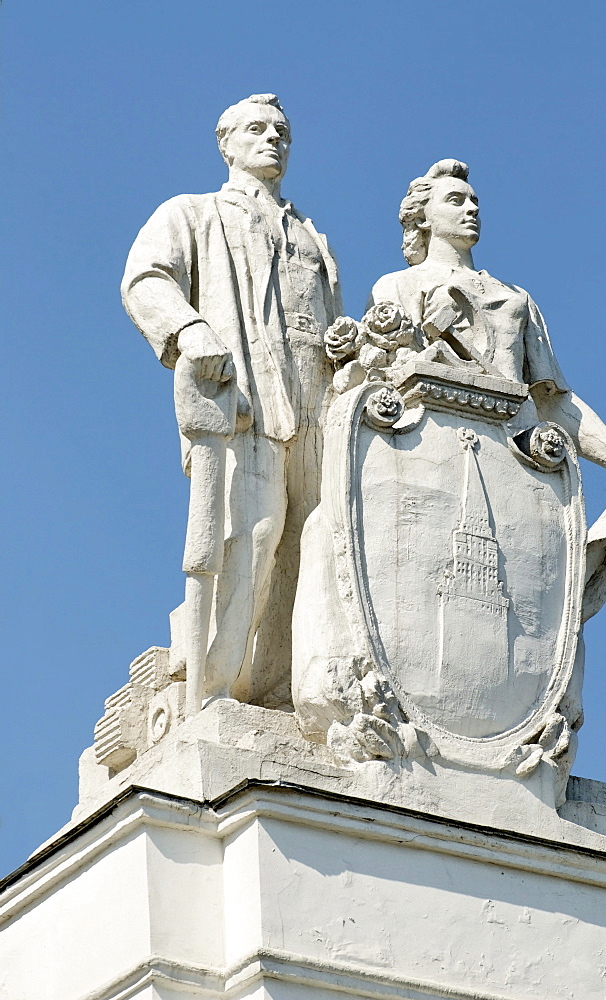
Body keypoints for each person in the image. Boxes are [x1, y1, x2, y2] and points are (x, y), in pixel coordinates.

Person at [121, 94, 341, 712]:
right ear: (227, 143)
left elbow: (326, 319)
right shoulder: (194, 213)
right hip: (244, 405)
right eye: (256, 129)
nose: (272, 138)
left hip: (318, 413)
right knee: (250, 534)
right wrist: (189, 331)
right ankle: (216, 688)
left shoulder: (313, 238)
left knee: (315, 543)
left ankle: (289, 689)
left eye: (282, 130)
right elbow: (146, 278)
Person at [371, 159, 606, 517]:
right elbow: (387, 380)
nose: (471, 208)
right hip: (427, 456)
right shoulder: (397, 286)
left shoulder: (517, 297)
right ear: (422, 217)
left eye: (474, 202)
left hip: (519, 459)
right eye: (455, 200)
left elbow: (551, 401)